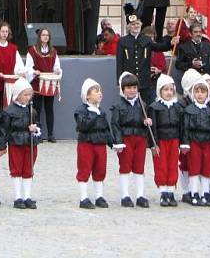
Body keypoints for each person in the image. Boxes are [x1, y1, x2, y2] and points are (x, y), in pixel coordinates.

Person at [110, 72, 152, 208]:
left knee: (139, 167)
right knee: (125, 167)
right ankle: (125, 196)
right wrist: (118, 141)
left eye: (134, 88)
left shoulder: (142, 105)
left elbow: (145, 122)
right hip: (126, 138)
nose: (132, 90)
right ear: (123, 90)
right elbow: (115, 125)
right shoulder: (118, 106)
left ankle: (140, 195)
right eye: (128, 88)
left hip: (140, 138)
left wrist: (146, 122)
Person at [180, 75, 210, 207]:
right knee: (194, 167)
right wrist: (185, 143)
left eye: (203, 92)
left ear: (207, 93)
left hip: (209, 142)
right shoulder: (188, 110)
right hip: (194, 142)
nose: (200, 94)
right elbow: (185, 128)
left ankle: (205, 192)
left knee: (207, 168)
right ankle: (194, 193)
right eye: (197, 91)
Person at [0, 77, 41, 209]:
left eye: (30, 94)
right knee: (16, 169)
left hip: (30, 143)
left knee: (28, 169)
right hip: (16, 142)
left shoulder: (32, 110)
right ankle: (18, 197)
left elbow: (38, 126)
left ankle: (27, 196)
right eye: (25, 94)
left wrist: (35, 130)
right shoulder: (8, 111)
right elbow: (4, 130)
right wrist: (2, 145)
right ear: (17, 95)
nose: (28, 97)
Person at [115, 14, 176, 104]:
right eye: (133, 24)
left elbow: (159, 47)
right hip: (129, 81)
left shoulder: (146, 39)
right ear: (129, 27)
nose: (136, 26)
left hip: (144, 81)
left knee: (150, 105)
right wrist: (119, 81)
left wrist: (170, 43)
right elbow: (119, 62)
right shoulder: (122, 41)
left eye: (137, 24)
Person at [75, 78, 113, 209]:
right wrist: (95, 115)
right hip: (87, 144)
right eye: (96, 91)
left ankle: (99, 196)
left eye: (100, 91)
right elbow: (83, 125)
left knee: (100, 169)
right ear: (87, 95)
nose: (100, 93)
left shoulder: (101, 111)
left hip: (100, 144)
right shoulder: (81, 111)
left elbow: (106, 129)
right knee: (84, 169)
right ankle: (83, 197)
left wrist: (113, 143)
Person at [147, 74, 183, 207]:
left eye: (171, 89)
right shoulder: (154, 107)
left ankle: (171, 191)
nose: (169, 92)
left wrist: (182, 143)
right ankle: (163, 192)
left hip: (173, 140)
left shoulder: (177, 107)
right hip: (161, 141)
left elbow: (181, 126)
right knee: (161, 165)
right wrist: (154, 144)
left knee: (173, 164)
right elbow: (153, 128)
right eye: (165, 89)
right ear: (159, 91)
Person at [28, 27, 62, 142]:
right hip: (37, 83)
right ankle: (38, 134)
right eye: (43, 35)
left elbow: (57, 66)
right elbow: (28, 67)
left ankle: (51, 134)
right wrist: (34, 72)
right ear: (39, 37)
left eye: (47, 35)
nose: (45, 37)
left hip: (49, 83)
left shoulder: (53, 51)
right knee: (37, 109)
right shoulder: (32, 50)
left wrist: (57, 70)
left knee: (49, 108)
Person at [0, 21, 27, 110]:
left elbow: (18, 65)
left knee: (8, 109)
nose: (4, 34)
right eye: (3, 31)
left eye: (6, 32)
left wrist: (21, 72)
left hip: (10, 85)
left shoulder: (13, 48)